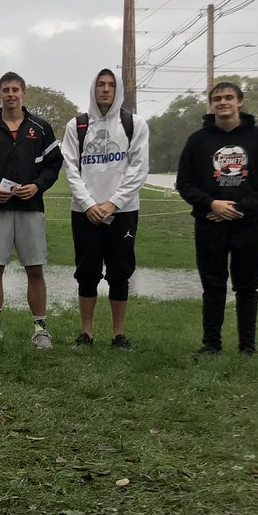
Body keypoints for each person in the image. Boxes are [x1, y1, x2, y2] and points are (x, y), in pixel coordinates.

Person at [176, 81, 258, 357]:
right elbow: (184, 183)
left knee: (247, 286)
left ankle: (247, 346)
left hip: (249, 225)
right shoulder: (198, 141)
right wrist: (211, 203)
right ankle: (212, 344)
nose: (223, 102)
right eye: (217, 98)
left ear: (240, 102)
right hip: (209, 223)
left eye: (228, 97)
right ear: (211, 104)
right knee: (213, 286)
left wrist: (239, 208)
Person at [0, 72, 63, 348]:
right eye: (5, 90)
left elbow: (54, 164)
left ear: (23, 93)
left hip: (31, 207)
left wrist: (38, 186)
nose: (10, 94)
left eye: (15, 89)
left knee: (35, 268)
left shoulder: (40, 128)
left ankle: (40, 329)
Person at [61, 69, 149, 349]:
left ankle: (118, 335)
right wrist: (88, 204)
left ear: (118, 90)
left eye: (111, 85)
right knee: (86, 272)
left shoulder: (134, 125)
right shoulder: (77, 125)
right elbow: (71, 168)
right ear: (93, 88)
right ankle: (86, 333)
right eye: (101, 84)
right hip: (84, 212)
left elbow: (138, 168)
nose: (106, 89)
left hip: (122, 212)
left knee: (119, 272)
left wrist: (113, 203)